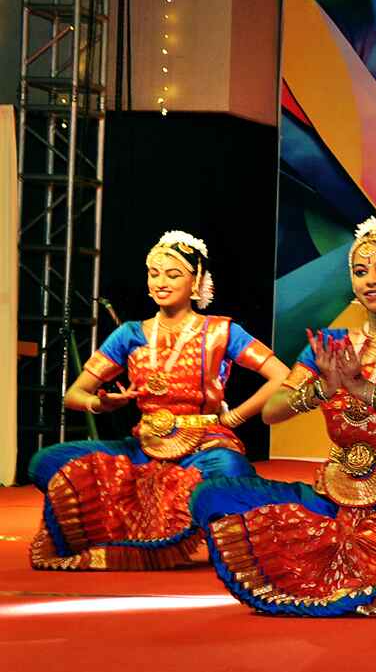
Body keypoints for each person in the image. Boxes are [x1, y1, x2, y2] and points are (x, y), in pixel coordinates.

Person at [190, 216, 376, 616]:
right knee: (214, 495)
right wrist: (323, 390)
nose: (371, 280)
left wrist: (365, 390)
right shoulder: (329, 343)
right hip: (334, 493)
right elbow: (272, 411)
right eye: (360, 271)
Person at [28, 231, 288, 571]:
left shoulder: (220, 331)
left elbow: (281, 376)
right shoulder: (130, 334)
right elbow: (74, 394)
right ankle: (113, 536)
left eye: (173, 274)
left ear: (196, 282)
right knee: (48, 461)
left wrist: (235, 417)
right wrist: (100, 404)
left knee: (229, 471)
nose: (161, 282)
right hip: (143, 447)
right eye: (154, 273)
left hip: (204, 445)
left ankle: (205, 535)